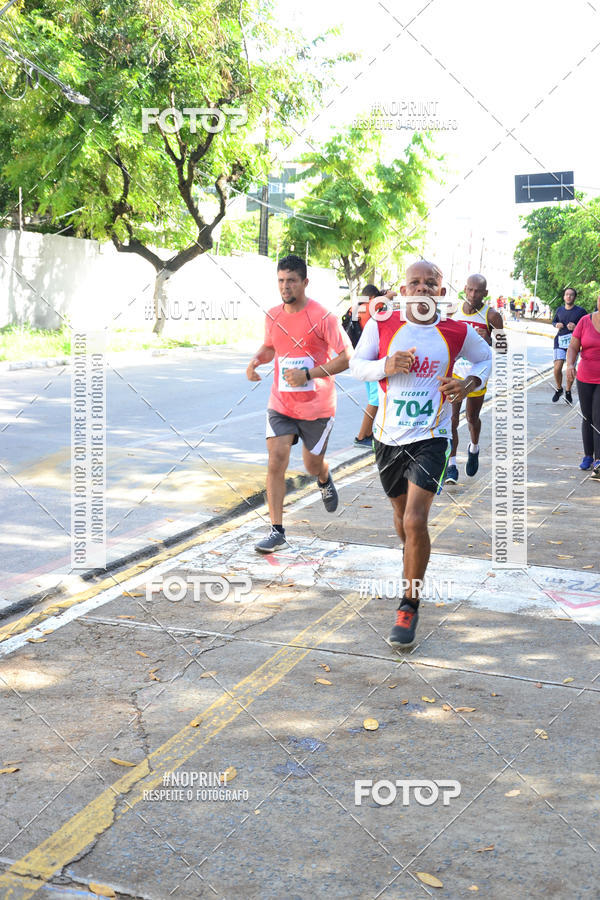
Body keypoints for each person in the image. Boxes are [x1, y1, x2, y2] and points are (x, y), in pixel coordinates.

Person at [350, 260, 492, 648]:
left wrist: (469, 382)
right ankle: (413, 557)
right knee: (401, 518)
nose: (423, 289)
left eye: (431, 283)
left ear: (441, 292)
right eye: (416, 283)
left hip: (433, 438)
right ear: (405, 289)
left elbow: (486, 358)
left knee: (415, 520)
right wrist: (385, 365)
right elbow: (355, 366)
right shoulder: (382, 324)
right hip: (387, 440)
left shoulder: (457, 330)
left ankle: (409, 604)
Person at [247, 254, 352, 552]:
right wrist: (256, 361)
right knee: (276, 459)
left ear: (305, 282)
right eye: (281, 280)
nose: (285, 286)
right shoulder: (272, 316)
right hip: (281, 403)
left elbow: (347, 356)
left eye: (291, 280)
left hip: (317, 407)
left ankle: (323, 476)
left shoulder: (323, 317)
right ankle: (277, 530)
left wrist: (309, 373)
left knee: (310, 464)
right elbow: (271, 347)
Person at [446, 274, 503, 483]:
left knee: (471, 418)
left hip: (476, 374)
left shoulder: (492, 316)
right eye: (469, 290)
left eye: (477, 291)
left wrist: (488, 339)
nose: (472, 294)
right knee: (451, 419)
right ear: (464, 289)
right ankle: (451, 465)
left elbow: (503, 348)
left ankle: (474, 447)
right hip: (455, 372)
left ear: (485, 293)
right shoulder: (453, 311)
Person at [353, 284, 396, 447]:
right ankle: (362, 436)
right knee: (375, 399)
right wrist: (385, 294)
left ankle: (369, 433)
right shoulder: (371, 307)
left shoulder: (357, 308)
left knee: (375, 397)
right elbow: (394, 293)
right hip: (372, 361)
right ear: (372, 298)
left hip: (364, 358)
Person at [566, 294, 600, 476]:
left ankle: (598, 459)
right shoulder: (585, 321)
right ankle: (588, 455)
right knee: (587, 417)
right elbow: (573, 347)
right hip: (585, 377)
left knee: (598, 415)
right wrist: (570, 364)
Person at [552, 288, 587, 403]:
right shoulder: (559, 310)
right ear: (564, 297)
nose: (569, 297)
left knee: (570, 368)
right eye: (567, 294)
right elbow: (554, 321)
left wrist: (576, 327)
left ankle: (568, 390)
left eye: (571, 295)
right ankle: (559, 388)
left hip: (574, 343)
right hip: (560, 342)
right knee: (557, 367)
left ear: (574, 297)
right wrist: (556, 324)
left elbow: (587, 326)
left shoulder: (581, 311)